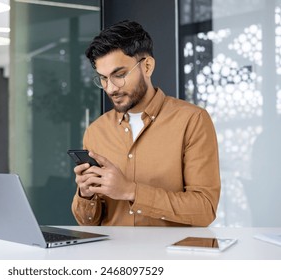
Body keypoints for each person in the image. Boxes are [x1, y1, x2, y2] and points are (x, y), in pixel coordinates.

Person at [71, 20, 221, 227]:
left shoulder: (192, 121)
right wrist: (86, 195)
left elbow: (205, 210)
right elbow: (87, 223)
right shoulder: (96, 131)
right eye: (103, 79)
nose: (111, 88)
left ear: (147, 66)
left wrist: (130, 191)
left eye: (120, 75)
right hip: (110, 256)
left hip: (169, 257)